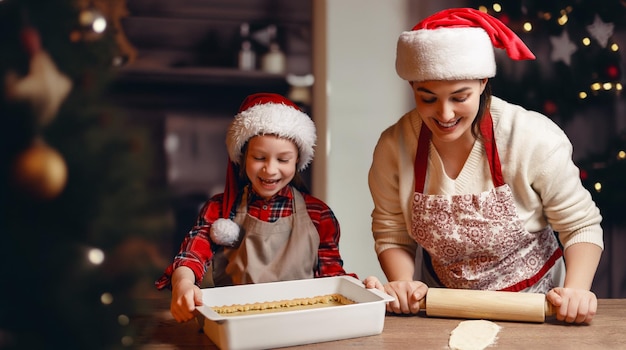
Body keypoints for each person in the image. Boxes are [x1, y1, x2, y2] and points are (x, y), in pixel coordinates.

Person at [363, 8, 603, 325]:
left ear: (482, 82)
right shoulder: (394, 147)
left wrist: (575, 292)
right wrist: (403, 283)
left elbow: (580, 225)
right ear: (413, 89)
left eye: (459, 97)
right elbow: (391, 233)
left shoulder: (532, 138)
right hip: (442, 310)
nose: (445, 114)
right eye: (428, 98)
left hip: (537, 306)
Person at [156, 92, 356, 323]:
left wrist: (361, 288)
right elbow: (191, 256)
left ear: (297, 161)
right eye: (260, 157)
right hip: (234, 325)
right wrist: (183, 283)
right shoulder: (221, 210)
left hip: (301, 325)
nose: (270, 170)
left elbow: (332, 277)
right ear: (242, 157)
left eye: (283, 160)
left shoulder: (318, 215)